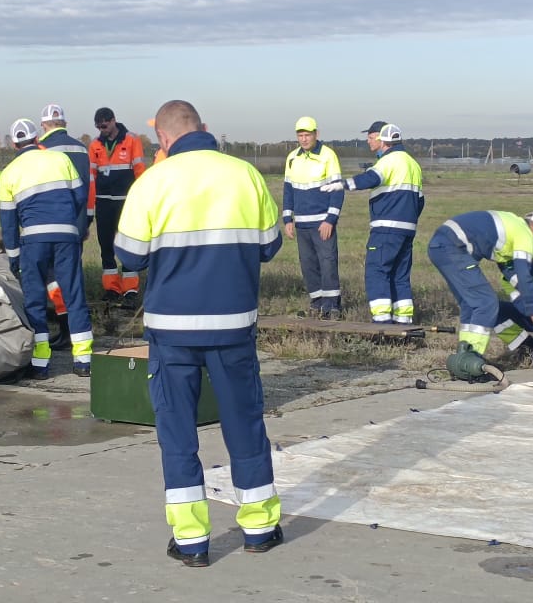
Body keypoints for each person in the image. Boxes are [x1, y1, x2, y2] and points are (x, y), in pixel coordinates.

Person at [114, 100, 283, 568]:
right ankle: (259, 529)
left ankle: (192, 542)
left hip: (172, 331)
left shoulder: (153, 181)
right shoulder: (245, 175)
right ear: (204, 129)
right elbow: (269, 246)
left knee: (177, 432)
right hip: (233, 326)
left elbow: (129, 257)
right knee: (245, 424)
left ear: (163, 140)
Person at [0, 118, 93, 380]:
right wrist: (73, 227)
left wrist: (14, 258)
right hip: (66, 237)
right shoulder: (60, 160)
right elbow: (79, 197)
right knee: (74, 295)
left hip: (33, 242)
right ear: (37, 139)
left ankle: (41, 365)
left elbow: (8, 223)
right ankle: (83, 360)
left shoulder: (9, 172)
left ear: (15, 144)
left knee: (35, 301)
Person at [321, 122, 423, 323]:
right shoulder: (413, 164)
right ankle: (404, 323)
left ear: (382, 139)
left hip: (386, 228)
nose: (368, 140)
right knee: (400, 276)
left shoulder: (389, 161)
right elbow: (420, 200)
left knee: (377, 271)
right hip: (407, 230)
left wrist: (343, 184)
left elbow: (371, 179)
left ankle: (382, 323)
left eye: (371, 137)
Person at [427, 211, 533, 356]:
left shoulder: (513, 225)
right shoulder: (524, 233)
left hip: (439, 246)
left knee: (470, 305)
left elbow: (510, 271)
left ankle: (463, 354)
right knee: (487, 303)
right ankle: (473, 357)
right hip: (453, 247)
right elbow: (524, 275)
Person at [37, 103, 91, 350]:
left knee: (53, 278)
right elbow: (88, 188)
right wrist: (86, 221)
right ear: (65, 123)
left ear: (44, 125)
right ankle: (78, 333)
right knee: (73, 279)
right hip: (76, 224)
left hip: (51, 224)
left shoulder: (42, 149)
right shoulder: (81, 147)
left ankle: (65, 327)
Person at [282, 116, 344, 319]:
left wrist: (330, 220)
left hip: (322, 222)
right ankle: (316, 303)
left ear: (316, 134)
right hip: (302, 223)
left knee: (327, 262)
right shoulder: (292, 157)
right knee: (308, 263)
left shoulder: (328, 156)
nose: (304, 139)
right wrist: (287, 219)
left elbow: (337, 190)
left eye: (307, 135)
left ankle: (332, 305)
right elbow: (288, 190)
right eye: (300, 135)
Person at [89, 107, 146, 308]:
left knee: (127, 244)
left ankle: (130, 290)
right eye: (98, 126)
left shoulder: (131, 140)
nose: (102, 129)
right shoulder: (95, 145)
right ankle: (112, 288)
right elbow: (91, 176)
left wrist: (142, 199)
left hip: (125, 201)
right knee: (106, 246)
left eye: (104, 125)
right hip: (103, 202)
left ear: (113, 121)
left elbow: (139, 170)